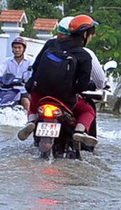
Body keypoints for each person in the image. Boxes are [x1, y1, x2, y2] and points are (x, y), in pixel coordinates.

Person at [17, 14, 98, 146]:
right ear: (84, 35)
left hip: (40, 94)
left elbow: (36, 67)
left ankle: (31, 121)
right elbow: (82, 86)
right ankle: (80, 130)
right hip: (66, 99)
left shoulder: (50, 44)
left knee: (33, 104)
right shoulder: (84, 55)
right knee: (88, 110)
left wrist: (32, 86)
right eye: (91, 34)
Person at [0, 36, 32, 109]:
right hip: (8, 90)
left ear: (24, 49)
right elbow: (0, 70)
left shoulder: (30, 61)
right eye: (14, 47)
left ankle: (28, 119)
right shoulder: (7, 61)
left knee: (26, 102)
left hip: (23, 90)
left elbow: (34, 73)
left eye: (19, 47)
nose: (17, 50)